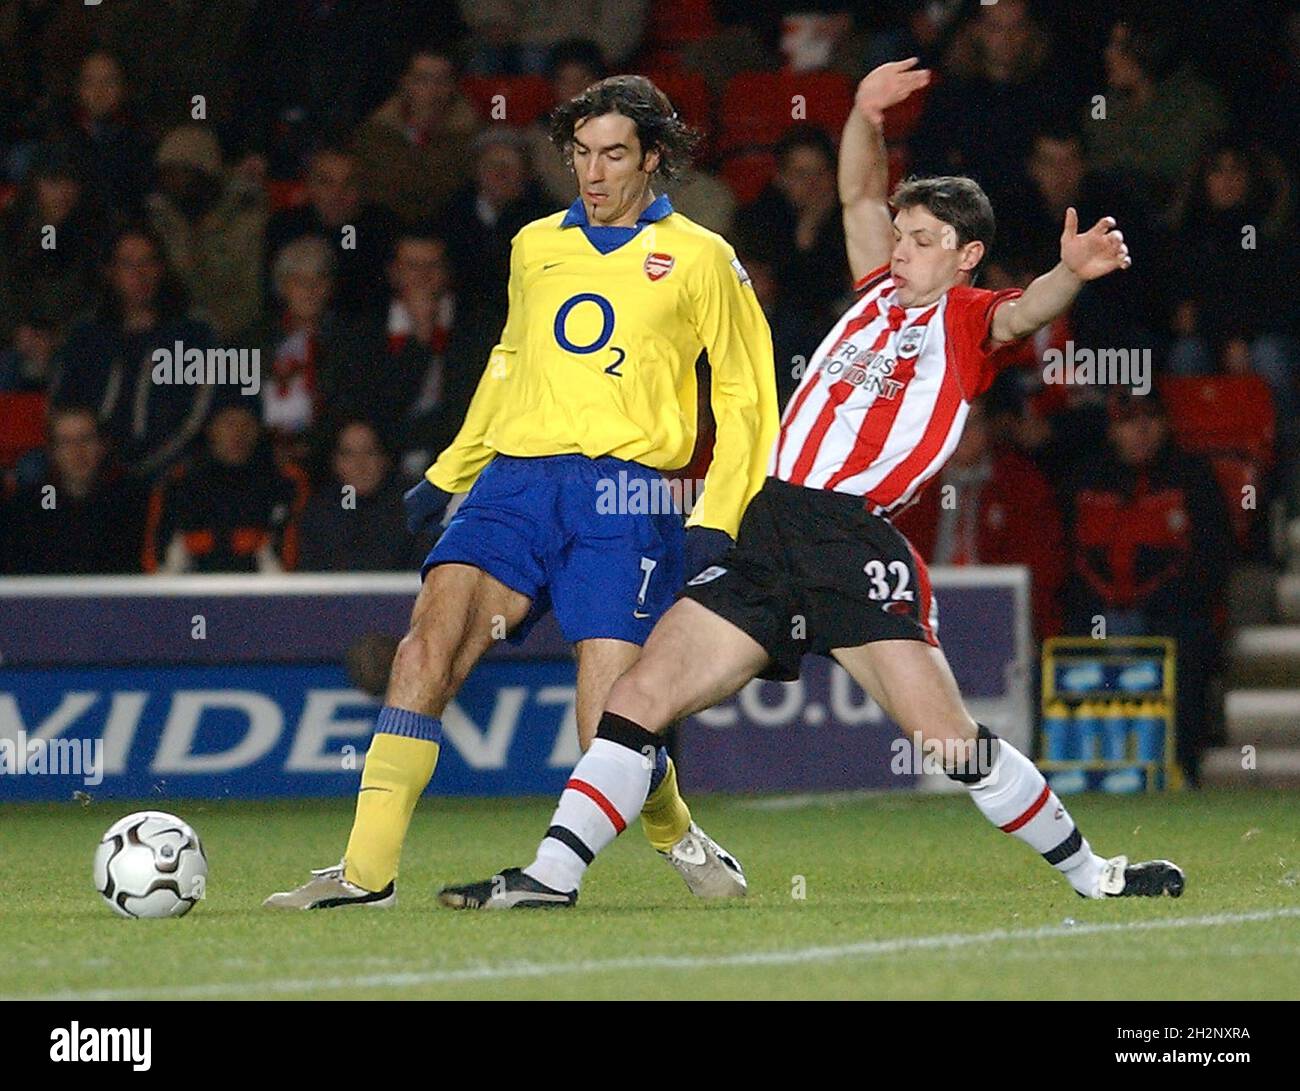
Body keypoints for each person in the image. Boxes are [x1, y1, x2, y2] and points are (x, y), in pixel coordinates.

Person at [437, 59, 1184, 911]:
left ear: (969, 256)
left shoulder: (968, 318)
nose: (901, 250)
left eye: (925, 241)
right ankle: (550, 878)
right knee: (638, 695)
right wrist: (863, 113)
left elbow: (1027, 309)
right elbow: (861, 195)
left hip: (851, 541)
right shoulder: (875, 292)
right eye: (901, 237)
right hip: (767, 523)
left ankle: (1096, 873)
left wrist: (1074, 274)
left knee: (947, 741)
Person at [266, 74, 778, 911]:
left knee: (610, 726)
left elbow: (748, 398)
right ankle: (364, 873)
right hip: (515, 484)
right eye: (580, 154)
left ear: (652, 157)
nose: (594, 173)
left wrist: (719, 515)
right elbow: (510, 365)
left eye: (614, 154)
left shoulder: (701, 257)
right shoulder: (535, 244)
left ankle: (668, 824)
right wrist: (452, 471)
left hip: (626, 496)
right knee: (423, 650)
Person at [1059, 389, 1235, 783]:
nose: (1141, 430)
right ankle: (1074, 773)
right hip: (1097, 615)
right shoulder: (1086, 479)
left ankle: (1180, 769)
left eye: (1150, 419)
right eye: (1128, 421)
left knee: (1187, 646)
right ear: (1112, 430)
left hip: (1171, 614)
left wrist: (1153, 605)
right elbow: (1069, 560)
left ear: (1165, 424)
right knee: (1062, 646)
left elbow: (1212, 559)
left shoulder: (1192, 478)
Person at [143, 402, 308, 574]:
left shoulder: (283, 483)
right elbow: (155, 560)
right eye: (230, 423)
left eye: (248, 424)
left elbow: (292, 557)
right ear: (211, 428)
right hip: (191, 592)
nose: (239, 432)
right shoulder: (178, 483)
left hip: (263, 593)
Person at [0, 405, 147, 574]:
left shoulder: (129, 503)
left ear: (102, 445)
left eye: (86, 439)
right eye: (65, 442)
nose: (77, 451)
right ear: (53, 451)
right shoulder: (26, 506)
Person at [296, 420, 427, 573]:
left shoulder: (412, 512)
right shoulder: (319, 515)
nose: (360, 464)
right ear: (336, 463)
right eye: (349, 454)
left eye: (369, 452)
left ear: (384, 459)